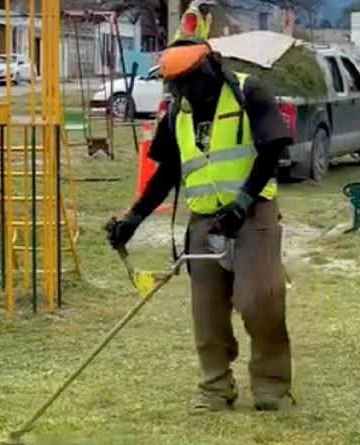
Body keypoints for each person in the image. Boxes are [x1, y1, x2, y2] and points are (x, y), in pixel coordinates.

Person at [104, 38, 295, 412]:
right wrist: (134, 219)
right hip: (205, 220)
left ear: (210, 70)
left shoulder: (248, 92)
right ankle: (215, 388)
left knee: (261, 300)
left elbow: (273, 147)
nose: (183, 90)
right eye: (175, 84)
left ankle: (272, 386)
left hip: (253, 213)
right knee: (207, 311)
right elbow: (167, 173)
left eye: (189, 80)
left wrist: (243, 201)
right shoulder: (178, 114)